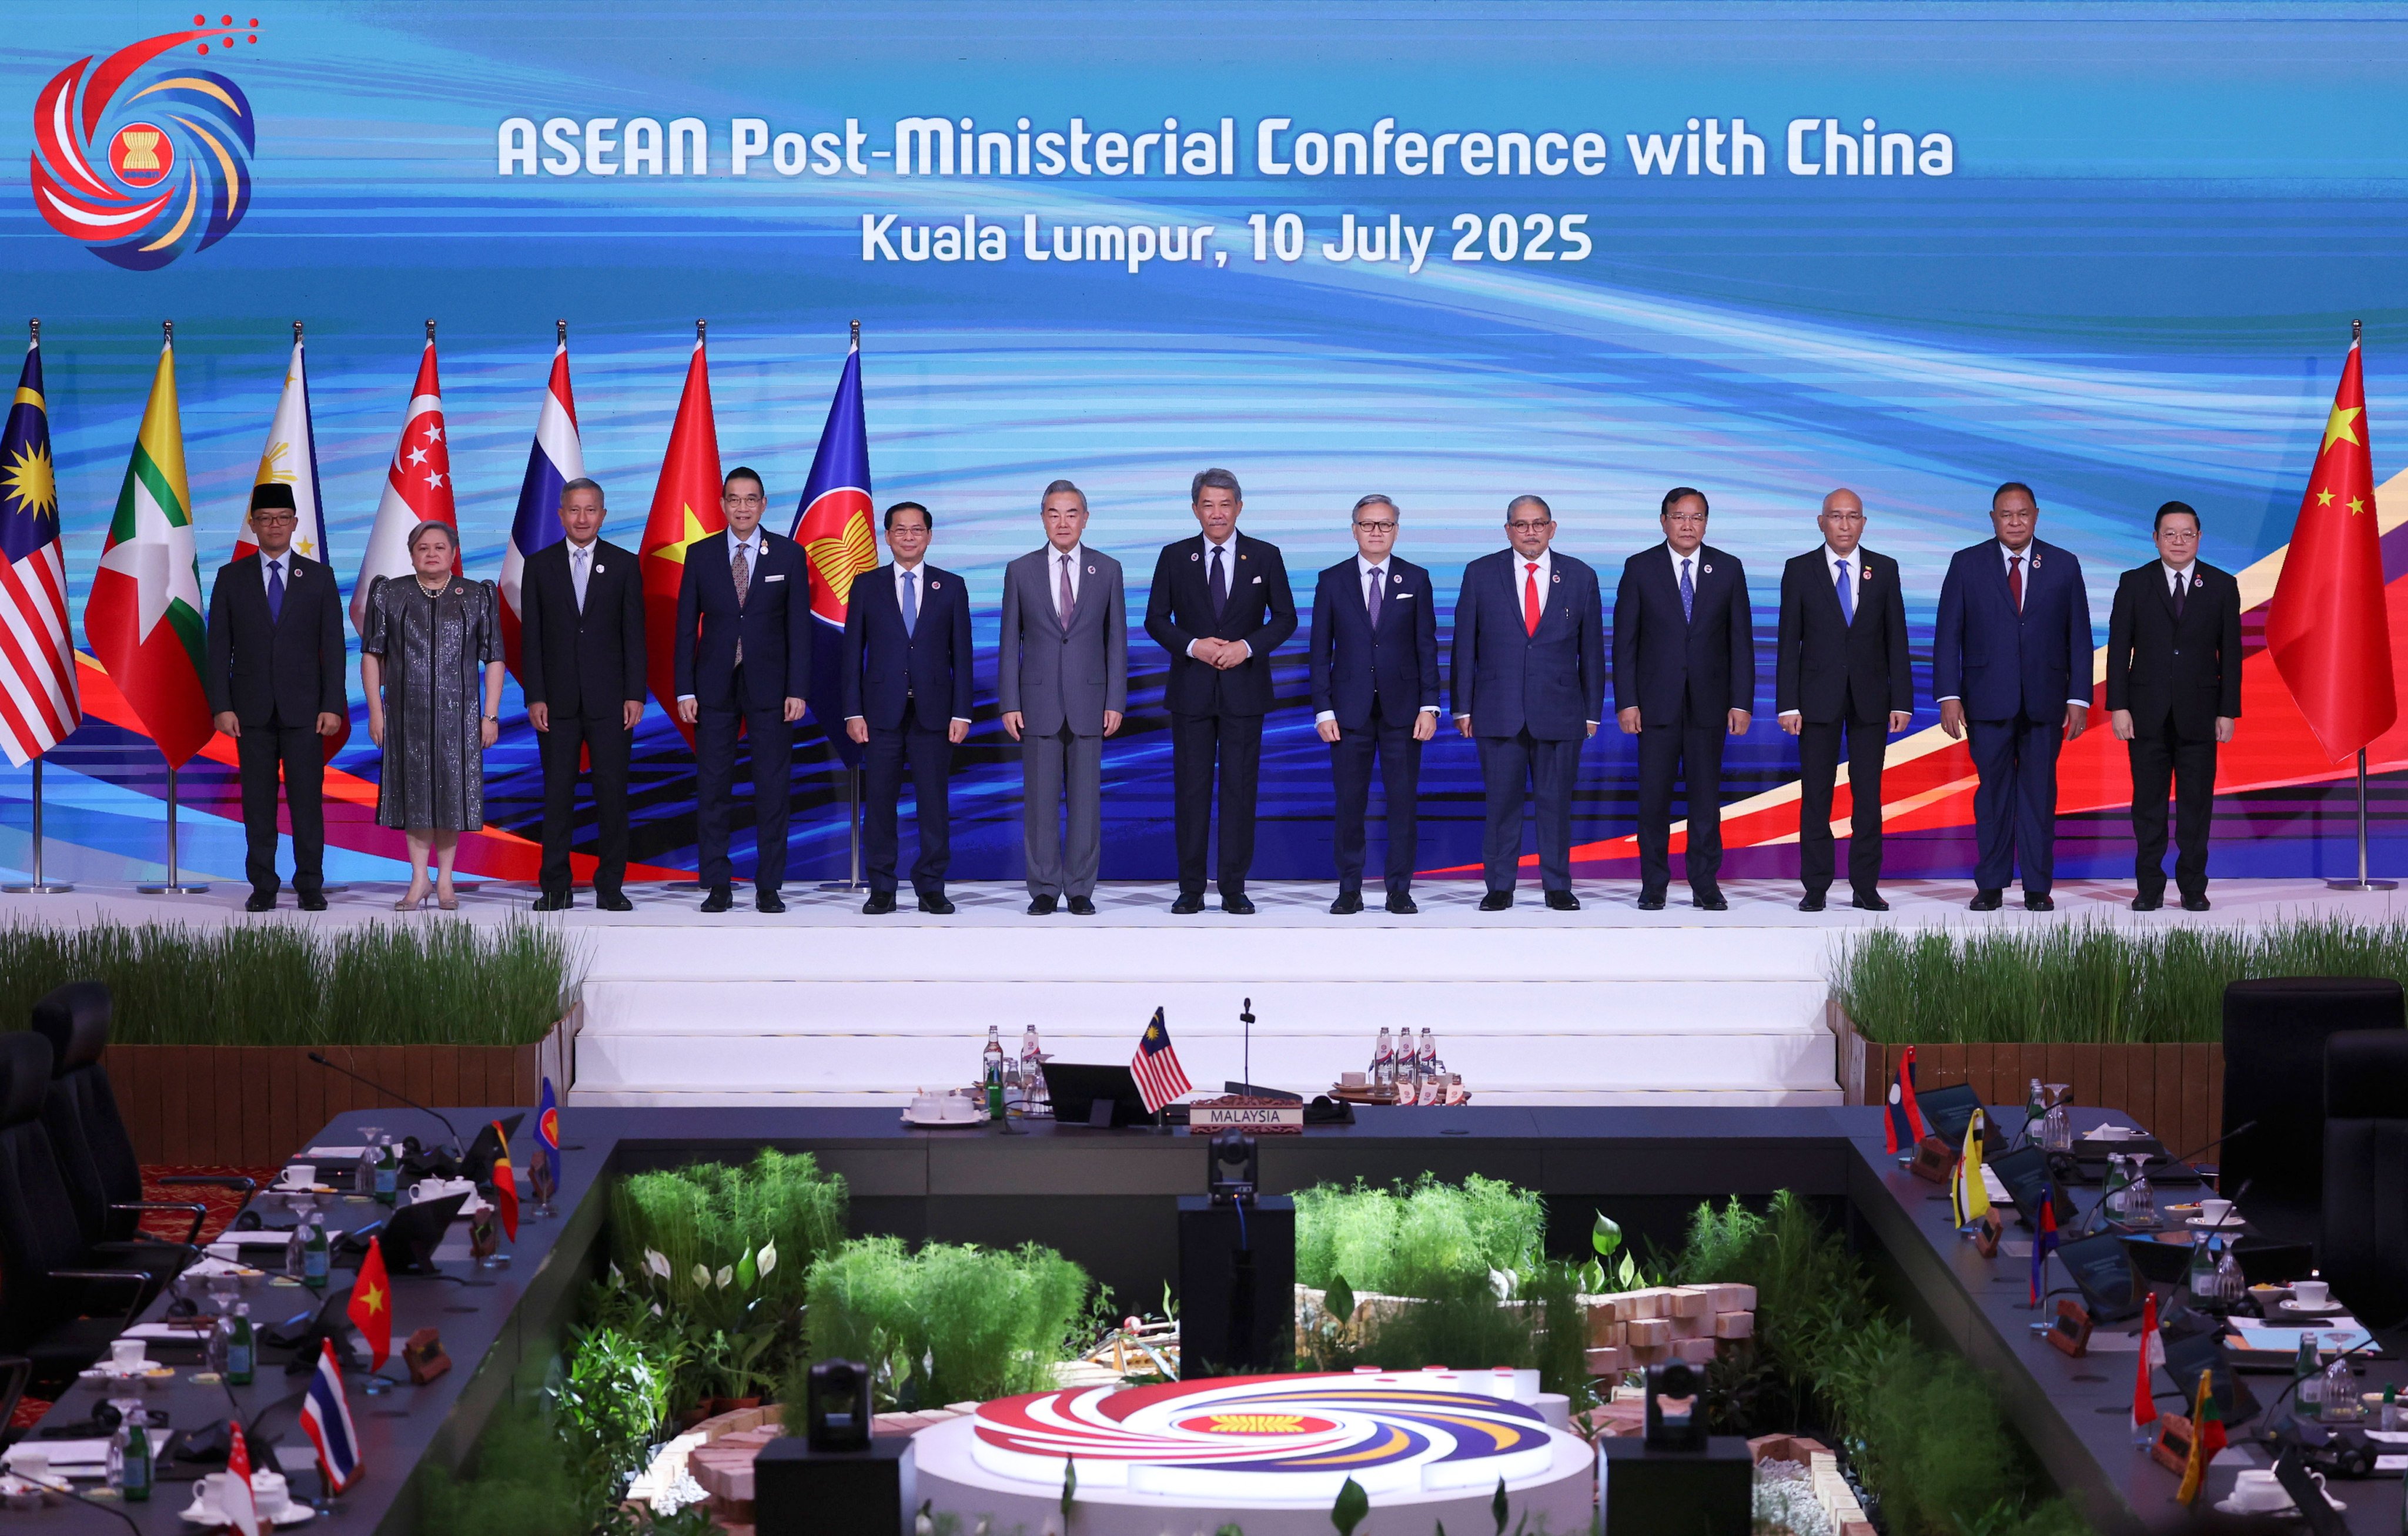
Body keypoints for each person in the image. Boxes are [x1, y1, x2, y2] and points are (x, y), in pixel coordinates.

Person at [1934, 480, 2093, 911]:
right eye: (2007, 514)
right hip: (1986, 700)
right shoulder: (1967, 564)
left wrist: (2079, 698)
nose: (2016, 521)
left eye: (2023, 513)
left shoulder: (2063, 564)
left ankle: (2038, 887)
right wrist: (1949, 695)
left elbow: (2079, 637)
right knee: (1992, 796)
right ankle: (1991, 884)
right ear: (1993, 518)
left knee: (2040, 796)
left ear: (2036, 516)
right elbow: (1948, 635)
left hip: (2046, 701)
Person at [1144, 468, 1297, 915]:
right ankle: (1190, 887)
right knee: (1190, 792)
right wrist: (1194, 646)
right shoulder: (1174, 556)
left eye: (1225, 504)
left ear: (1239, 507)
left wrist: (1247, 648)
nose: (1217, 513)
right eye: (1208, 505)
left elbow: (1285, 618)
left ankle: (1233, 886)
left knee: (1239, 790)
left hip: (1245, 692)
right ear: (1195, 509)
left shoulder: (1265, 555)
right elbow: (1156, 619)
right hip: (1191, 692)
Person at [1452, 495, 1607, 911]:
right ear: (1508, 530)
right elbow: (1464, 645)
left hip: (1561, 711)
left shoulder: (1580, 575)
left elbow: (1592, 651)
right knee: (1501, 805)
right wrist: (1462, 707)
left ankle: (1557, 885)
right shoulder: (1481, 573)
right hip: (1497, 709)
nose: (1531, 532)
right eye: (1521, 525)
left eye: (1539, 524)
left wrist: (1593, 711)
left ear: (1552, 528)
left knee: (1556, 805)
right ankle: (1500, 886)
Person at [674, 466, 811, 914]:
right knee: (713, 787)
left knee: (772, 788)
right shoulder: (701, 553)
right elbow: (683, 631)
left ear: (764, 504)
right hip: (712, 685)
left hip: (773, 687)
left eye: (752, 499)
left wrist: (798, 687)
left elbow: (799, 629)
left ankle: (769, 885)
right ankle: (716, 883)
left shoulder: (789, 554)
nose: (743, 507)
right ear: (722, 504)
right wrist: (683, 689)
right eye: (734, 499)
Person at [206, 481, 346, 912]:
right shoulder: (231, 578)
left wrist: (333, 705)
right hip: (249, 710)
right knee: (258, 803)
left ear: (295, 524)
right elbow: (217, 648)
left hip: (307, 711)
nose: (274, 526)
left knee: (307, 801)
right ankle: (263, 885)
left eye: (283, 518)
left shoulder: (318, 577)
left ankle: (309, 884)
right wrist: (221, 706)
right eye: (265, 519)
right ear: (253, 525)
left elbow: (335, 647)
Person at [1614, 487, 1755, 911]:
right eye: (1679, 516)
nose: (1688, 525)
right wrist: (1627, 701)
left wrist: (1741, 701)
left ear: (1706, 523)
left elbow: (1741, 643)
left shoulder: (1728, 568)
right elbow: (1625, 643)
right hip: (1654, 705)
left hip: (1710, 706)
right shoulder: (1640, 567)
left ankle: (1705, 884)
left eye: (1696, 517)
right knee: (1653, 799)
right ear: (1663, 521)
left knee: (1706, 800)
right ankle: (1653, 884)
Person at [1774, 488, 1912, 912]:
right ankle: (1816, 885)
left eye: (1853, 516)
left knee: (1868, 795)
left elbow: (1897, 639)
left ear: (1864, 523)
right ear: (1821, 522)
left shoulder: (1884, 569)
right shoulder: (1800, 569)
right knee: (1817, 794)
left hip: (1872, 700)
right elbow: (1788, 642)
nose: (1845, 524)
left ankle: (1865, 886)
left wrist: (1902, 700)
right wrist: (1788, 703)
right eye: (1836, 516)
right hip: (1816, 700)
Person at [360, 521, 503, 911]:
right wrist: (377, 711)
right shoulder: (392, 593)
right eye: (423, 547)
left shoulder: (478, 595)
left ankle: (445, 881)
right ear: (412, 553)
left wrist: (489, 715)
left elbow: (494, 658)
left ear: (454, 552)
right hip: (406, 715)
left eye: (440, 547)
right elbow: (373, 656)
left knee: (451, 796)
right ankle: (419, 879)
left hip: (461, 716)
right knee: (416, 796)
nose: (432, 553)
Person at [999, 480, 1127, 915]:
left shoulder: (1108, 569)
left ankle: (1079, 888)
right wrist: (1009, 701)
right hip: (1037, 702)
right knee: (1038, 801)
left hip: (1091, 701)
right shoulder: (1021, 570)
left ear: (1086, 518)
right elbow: (1008, 642)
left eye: (1072, 513)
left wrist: (1116, 700)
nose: (1063, 522)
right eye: (1054, 513)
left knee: (1087, 802)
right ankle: (1043, 887)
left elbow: (1117, 642)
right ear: (1042, 519)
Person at [2106, 500, 2240, 912]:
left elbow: (2231, 654)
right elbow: (2118, 650)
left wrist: (2228, 710)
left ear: (2199, 538)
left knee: (2196, 808)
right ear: (2155, 538)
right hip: (2145, 713)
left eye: (2187, 533)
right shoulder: (2134, 582)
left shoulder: (2220, 584)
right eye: (2170, 533)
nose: (2179, 541)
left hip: (2201, 713)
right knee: (2148, 806)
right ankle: (2149, 887)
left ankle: (2193, 887)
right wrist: (2118, 705)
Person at [519, 477, 646, 912]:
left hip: (612, 702)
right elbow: (530, 640)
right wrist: (534, 695)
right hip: (556, 702)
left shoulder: (625, 564)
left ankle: (611, 885)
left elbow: (635, 636)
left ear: (603, 515)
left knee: (612, 794)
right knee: (557, 794)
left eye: (590, 510)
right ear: (560, 514)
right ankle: (556, 885)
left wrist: (636, 693)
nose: (582, 518)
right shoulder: (538, 565)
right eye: (574, 509)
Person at [1309, 494, 1440, 914]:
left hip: (1405, 711)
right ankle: (1349, 888)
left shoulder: (1416, 579)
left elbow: (1427, 646)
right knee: (1350, 803)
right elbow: (1318, 650)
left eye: (1385, 525)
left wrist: (1430, 705)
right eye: (1368, 524)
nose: (1377, 531)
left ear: (1396, 531)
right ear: (1354, 530)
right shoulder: (1332, 580)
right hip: (1347, 712)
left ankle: (1399, 889)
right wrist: (1323, 709)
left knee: (1403, 802)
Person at [841, 500, 973, 915]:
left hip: (934, 712)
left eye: (917, 530)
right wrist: (852, 711)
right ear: (888, 536)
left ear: (929, 536)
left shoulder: (951, 586)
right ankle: (882, 886)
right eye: (901, 530)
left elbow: (963, 656)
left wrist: (962, 711)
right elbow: (850, 655)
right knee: (880, 803)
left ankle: (931, 884)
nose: (909, 537)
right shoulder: (866, 585)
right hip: (879, 713)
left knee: (934, 803)